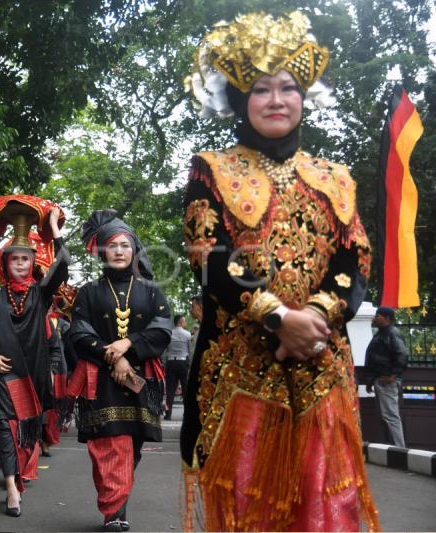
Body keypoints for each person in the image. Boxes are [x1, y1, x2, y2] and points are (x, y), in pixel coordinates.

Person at [181, 12, 379, 531]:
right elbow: (209, 255)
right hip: (242, 363)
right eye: (262, 88)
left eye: (288, 87)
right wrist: (276, 318)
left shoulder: (333, 178)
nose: (276, 99)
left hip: (320, 361)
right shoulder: (212, 169)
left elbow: (353, 258)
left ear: (304, 95)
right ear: (240, 99)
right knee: (251, 510)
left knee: (328, 509)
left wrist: (312, 316)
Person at [68, 210, 173, 532]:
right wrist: (114, 356)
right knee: (108, 445)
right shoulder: (88, 292)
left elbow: (162, 330)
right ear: (103, 252)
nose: (118, 252)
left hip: (143, 381)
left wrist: (128, 345)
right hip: (101, 379)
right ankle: (114, 512)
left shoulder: (152, 291)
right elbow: (79, 334)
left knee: (133, 446)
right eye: (112, 246)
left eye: (125, 246)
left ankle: (117, 505)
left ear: (134, 251)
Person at [0, 206, 68, 518]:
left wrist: (54, 227)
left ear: (32, 262)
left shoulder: (41, 294)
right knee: (4, 428)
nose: (19, 264)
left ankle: (19, 478)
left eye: (25, 259)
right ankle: (11, 489)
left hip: (34, 376)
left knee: (26, 433)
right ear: (4, 264)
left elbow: (64, 264)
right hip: (3, 375)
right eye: (13, 259)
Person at [366, 306, 409, 448]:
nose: (374, 318)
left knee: (390, 417)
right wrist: (371, 378)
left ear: (386, 319)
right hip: (380, 379)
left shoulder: (392, 333)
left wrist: (393, 376)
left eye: (377, 316)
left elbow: (402, 354)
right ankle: (391, 450)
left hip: (386, 381)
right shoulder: (382, 333)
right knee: (384, 417)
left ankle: (400, 452)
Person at [41, 311, 68, 457]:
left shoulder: (63, 325)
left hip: (56, 370)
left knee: (52, 410)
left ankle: (46, 442)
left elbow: (67, 349)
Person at [163, 315, 191, 420]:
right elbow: (190, 350)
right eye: (185, 321)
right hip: (183, 362)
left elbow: (165, 351)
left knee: (170, 389)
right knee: (185, 388)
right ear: (181, 322)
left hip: (171, 363)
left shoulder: (169, 334)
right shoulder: (187, 334)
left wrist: (165, 363)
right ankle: (186, 413)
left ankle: (168, 414)